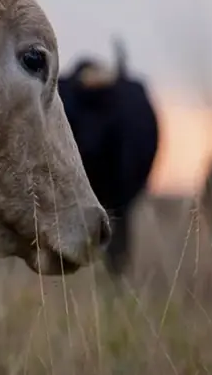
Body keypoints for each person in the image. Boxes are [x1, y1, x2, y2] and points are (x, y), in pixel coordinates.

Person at [58, 37, 160, 279]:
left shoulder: (124, 110)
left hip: (117, 173)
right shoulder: (67, 99)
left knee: (120, 215)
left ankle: (116, 278)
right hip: (78, 175)